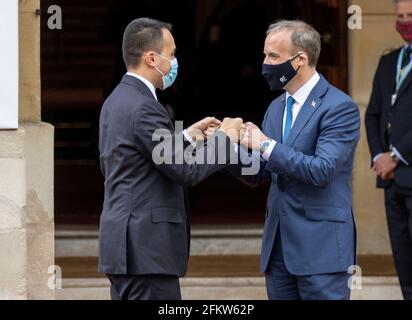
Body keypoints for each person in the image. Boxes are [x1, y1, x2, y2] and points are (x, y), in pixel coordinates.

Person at [98, 17, 243, 300]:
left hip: (129, 247)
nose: (175, 61)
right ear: (152, 58)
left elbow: (137, 159)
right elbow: (186, 170)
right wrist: (226, 136)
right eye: (172, 54)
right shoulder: (145, 107)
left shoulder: (118, 99)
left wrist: (186, 136)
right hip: (145, 251)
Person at [229, 20, 360, 300]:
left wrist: (264, 143)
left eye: (273, 56)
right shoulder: (276, 108)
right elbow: (261, 172)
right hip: (278, 252)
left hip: (321, 251)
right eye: (265, 55)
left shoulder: (339, 107)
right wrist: (224, 147)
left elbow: (322, 170)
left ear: (300, 60)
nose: (265, 63)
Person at [365, 0, 412, 300]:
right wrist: (379, 155)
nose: (404, 21)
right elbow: (372, 114)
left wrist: (396, 156)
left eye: (410, 16)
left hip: (407, 168)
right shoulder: (388, 61)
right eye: (400, 16)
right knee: (402, 253)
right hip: (391, 179)